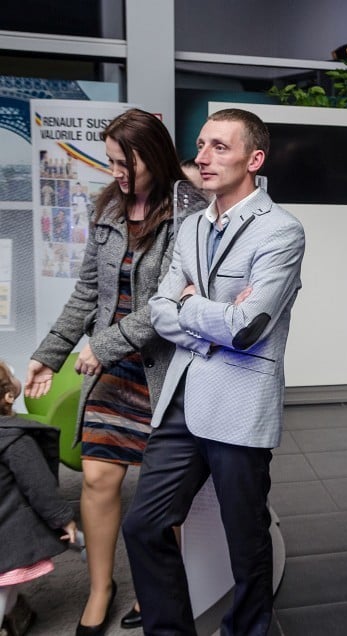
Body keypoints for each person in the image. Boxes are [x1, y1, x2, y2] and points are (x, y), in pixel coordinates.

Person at [122, 108, 305, 636]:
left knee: (245, 541)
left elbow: (248, 329)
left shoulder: (281, 231)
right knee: (144, 525)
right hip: (181, 398)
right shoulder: (192, 226)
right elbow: (158, 310)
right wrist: (206, 315)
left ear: (255, 159)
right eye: (201, 145)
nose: (203, 157)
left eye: (219, 147)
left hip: (240, 404)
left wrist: (188, 304)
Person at [24, 108, 182, 636]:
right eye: (110, 161)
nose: (115, 172)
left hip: (163, 367)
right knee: (96, 477)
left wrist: (105, 345)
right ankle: (99, 588)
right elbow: (88, 292)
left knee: (163, 493)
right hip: (111, 368)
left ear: (153, 156)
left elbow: (170, 303)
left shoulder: (187, 212)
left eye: (124, 163)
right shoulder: (109, 208)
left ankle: (161, 589)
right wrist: (49, 353)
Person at [1, 360, 79, 636]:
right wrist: (64, 519)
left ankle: (15, 616)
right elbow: (39, 486)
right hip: (6, 538)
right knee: (3, 588)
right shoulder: (15, 440)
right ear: (8, 396)